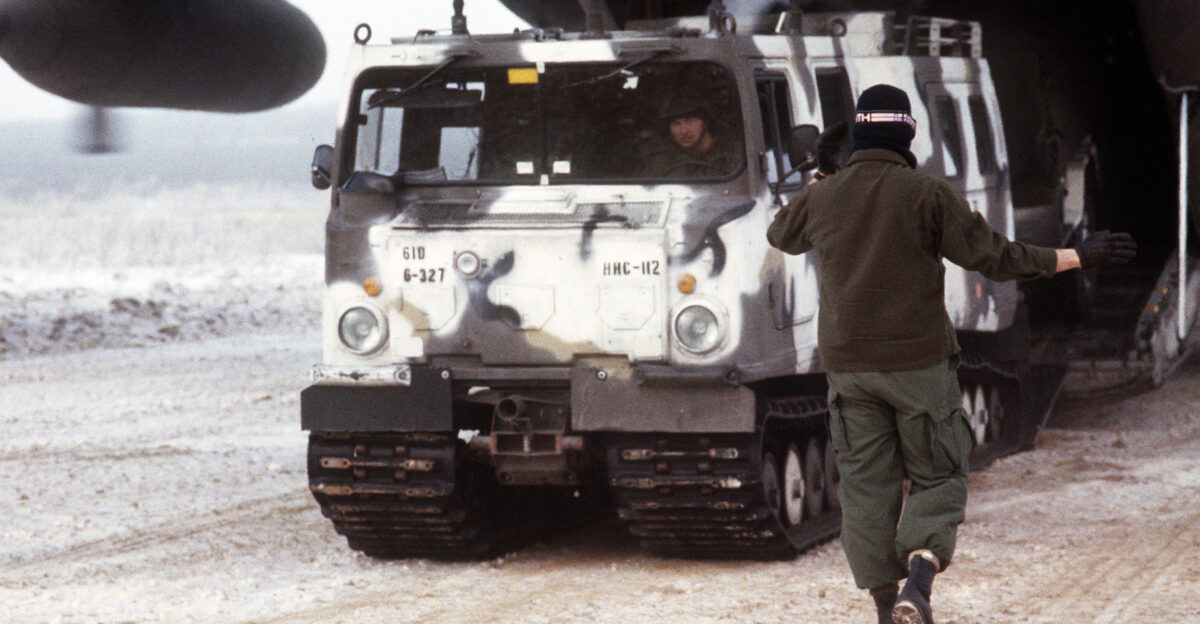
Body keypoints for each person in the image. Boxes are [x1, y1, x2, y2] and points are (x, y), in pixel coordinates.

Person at [766, 84, 1137, 624]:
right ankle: (918, 584)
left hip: (850, 370)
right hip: (918, 366)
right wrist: (1076, 255)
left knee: (867, 488)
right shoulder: (927, 193)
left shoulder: (823, 197)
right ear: (906, 134)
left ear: (859, 133)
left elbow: (782, 232)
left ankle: (883, 606)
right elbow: (996, 257)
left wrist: (822, 177)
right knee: (938, 475)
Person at [647, 98, 740, 177]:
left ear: (705, 123)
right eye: (676, 123)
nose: (683, 131)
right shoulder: (667, 156)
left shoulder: (732, 152)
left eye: (690, 120)